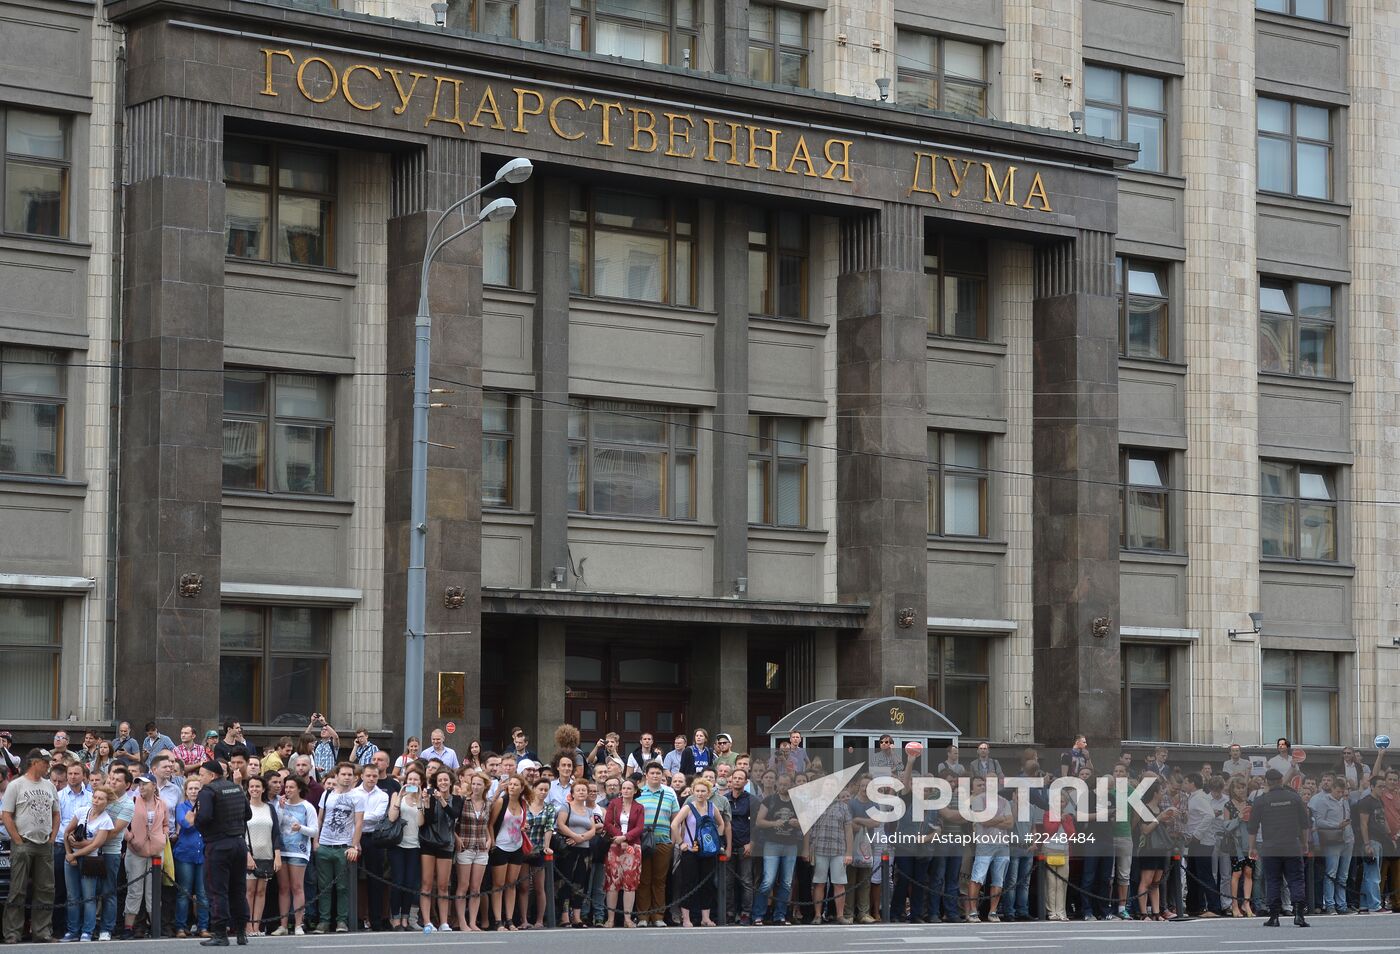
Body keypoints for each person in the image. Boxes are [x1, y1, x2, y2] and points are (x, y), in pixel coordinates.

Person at [2, 750, 60, 943]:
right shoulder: (16, 785)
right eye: (45, 763)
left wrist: (52, 838)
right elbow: (7, 815)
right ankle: (12, 933)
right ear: (35, 762)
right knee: (17, 889)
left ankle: (42, 932)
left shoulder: (50, 786)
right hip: (24, 843)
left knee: (46, 889)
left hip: (44, 844)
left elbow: (56, 814)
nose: (48, 766)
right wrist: (17, 840)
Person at [195, 760, 252, 947]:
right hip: (239, 843)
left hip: (218, 845)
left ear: (212, 775)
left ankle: (220, 934)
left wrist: (194, 820)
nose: (200, 778)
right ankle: (242, 932)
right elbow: (248, 814)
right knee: (238, 889)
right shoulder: (236, 788)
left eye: (202, 774)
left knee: (217, 890)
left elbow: (204, 817)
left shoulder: (208, 791)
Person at [1248, 767, 1311, 928]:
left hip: (1270, 847)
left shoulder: (1261, 800)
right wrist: (1304, 843)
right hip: (1292, 845)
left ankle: (1274, 917)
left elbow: (1253, 827)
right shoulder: (1294, 798)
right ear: (1282, 780)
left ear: (1267, 783)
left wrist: (1252, 847)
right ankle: (1299, 914)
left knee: (1273, 880)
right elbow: (1305, 824)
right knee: (1296, 880)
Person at [313, 762, 364, 933]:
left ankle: (342, 920)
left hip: (344, 846)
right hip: (325, 845)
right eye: (344, 774)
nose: (347, 777)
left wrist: (353, 845)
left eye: (350, 774)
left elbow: (358, 823)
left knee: (343, 887)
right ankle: (324, 921)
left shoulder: (357, 797)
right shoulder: (327, 795)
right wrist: (316, 842)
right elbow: (319, 819)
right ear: (336, 776)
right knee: (324, 886)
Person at [60, 785, 113, 942]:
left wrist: (74, 853)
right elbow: (67, 832)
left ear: (107, 801)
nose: (96, 801)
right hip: (72, 858)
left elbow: (95, 845)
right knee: (72, 896)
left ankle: (87, 931)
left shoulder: (106, 820)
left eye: (100, 799)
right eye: (95, 797)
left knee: (89, 897)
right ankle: (72, 930)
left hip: (91, 860)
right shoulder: (82, 811)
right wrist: (69, 854)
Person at [671, 777, 724, 928]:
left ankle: (705, 918)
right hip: (691, 851)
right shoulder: (688, 807)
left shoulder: (712, 807)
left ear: (708, 792)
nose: (700, 794)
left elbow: (721, 824)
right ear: (693, 792)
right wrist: (682, 844)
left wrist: (715, 841)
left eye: (703, 791)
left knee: (707, 883)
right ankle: (686, 918)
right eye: (697, 791)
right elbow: (674, 825)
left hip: (707, 852)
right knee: (688, 883)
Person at [121, 774, 168, 938]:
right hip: (136, 850)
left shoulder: (162, 804)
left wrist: (164, 836)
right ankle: (128, 927)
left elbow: (166, 824)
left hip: (156, 850)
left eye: (145, 784)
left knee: (153, 891)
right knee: (134, 890)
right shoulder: (131, 802)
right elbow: (121, 822)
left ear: (154, 786)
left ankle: (155, 927)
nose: (141, 787)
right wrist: (129, 836)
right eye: (139, 784)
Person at [752, 772, 802, 925]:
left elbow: (806, 822)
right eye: (780, 784)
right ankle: (758, 915)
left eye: (786, 785)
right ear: (776, 784)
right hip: (772, 844)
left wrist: (797, 823)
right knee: (768, 880)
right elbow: (759, 822)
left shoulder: (797, 801)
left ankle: (780, 915)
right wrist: (774, 823)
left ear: (791, 784)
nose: (783, 787)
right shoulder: (769, 800)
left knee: (787, 882)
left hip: (791, 844)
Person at [804, 784, 854, 925]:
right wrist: (806, 849)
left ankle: (839, 915)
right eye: (827, 785)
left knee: (839, 884)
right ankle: (818, 915)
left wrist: (849, 852)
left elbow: (848, 830)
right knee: (819, 883)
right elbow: (807, 827)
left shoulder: (843, 806)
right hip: (819, 849)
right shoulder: (813, 804)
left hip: (839, 850)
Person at [965, 775, 1012, 923]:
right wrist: (1000, 819)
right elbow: (983, 820)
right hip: (985, 843)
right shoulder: (979, 799)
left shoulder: (1004, 801)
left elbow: (1010, 823)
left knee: (999, 880)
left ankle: (993, 911)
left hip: (1003, 844)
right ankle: (973, 911)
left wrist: (992, 820)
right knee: (978, 877)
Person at [556, 779, 600, 927]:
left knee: (581, 883)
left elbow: (593, 830)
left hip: (585, 849)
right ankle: (564, 917)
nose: (582, 792)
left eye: (584, 790)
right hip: (568, 850)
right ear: (573, 793)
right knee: (565, 882)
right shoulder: (566, 806)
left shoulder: (589, 810)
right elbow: (560, 825)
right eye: (579, 790)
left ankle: (577, 916)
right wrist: (574, 836)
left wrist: (580, 838)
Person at [487, 774, 528, 931]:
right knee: (498, 884)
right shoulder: (500, 802)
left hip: (517, 845)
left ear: (521, 788)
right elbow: (490, 823)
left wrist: (525, 827)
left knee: (511, 884)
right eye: (510, 784)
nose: (512, 787)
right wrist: (493, 842)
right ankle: (498, 921)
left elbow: (522, 822)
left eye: (516, 784)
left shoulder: (523, 803)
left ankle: (509, 919)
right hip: (501, 846)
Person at [242, 775, 281, 937]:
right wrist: (247, 855)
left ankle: (256, 926)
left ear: (263, 789)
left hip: (266, 854)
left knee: (261, 891)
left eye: (258, 786)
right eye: (252, 786)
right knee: (249, 891)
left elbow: (276, 833)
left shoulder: (269, 808)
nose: (254, 789)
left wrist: (277, 855)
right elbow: (239, 833)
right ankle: (247, 926)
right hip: (249, 854)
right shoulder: (244, 808)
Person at [386, 768, 424, 932]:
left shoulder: (423, 799)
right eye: (410, 779)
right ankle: (394, 917)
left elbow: (421, 823)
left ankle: (405, 918)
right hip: (398, 845)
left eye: (416, 780)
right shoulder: (397, 795)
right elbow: (392, 817)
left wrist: (421, 800)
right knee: (398, 882)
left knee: (410, 883)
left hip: (415, 846)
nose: (413, 783)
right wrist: (400, 796)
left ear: (420, 783)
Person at [602, 777, 643, 927]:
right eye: (624, 788)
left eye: (629, 788)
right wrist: (619, 837)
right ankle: (610, 919)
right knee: (612, 882)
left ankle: (627, 918)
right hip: (615, 846)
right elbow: (607, 823)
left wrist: (626, 837)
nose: (626, 791)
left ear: (635, 791)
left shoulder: (639, 807)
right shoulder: (614, 804)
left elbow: (639, 827)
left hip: (633, 847)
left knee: (630, 883)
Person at [453, 772, 491, 932]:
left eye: (479, 784)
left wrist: (489, 839)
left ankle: (473, 922)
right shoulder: (463, 801)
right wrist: (457, 838)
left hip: (481, 847)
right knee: (463, 885)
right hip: (465, 846)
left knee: (476, 887)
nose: (475, 787)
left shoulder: (488, 804)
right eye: (473, 784)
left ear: (484, 786)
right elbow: (453, 823)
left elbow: (487, 824)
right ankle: (462, 921)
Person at [97, 767, 132, 941]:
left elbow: (114, 831)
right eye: (111, 778)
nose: (112, 782)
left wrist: (88, 843)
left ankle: (106, 928)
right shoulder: (102, 797)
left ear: (127, 785)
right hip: (91, 850)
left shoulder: (128, 804)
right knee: (88, 892)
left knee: (109, 891)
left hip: (110, 851)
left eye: (117, 780)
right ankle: (86, 928)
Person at [1309, 777, 1352, 915]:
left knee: (1343, 875)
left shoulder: (1344, 801)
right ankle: (1330, 904)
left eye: (1342, 792)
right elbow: (1319, 822)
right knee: (1331, 873)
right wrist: (1336, 826)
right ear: (1332, 789)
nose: (1340, 794)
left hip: (1347, 839)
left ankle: (1342, 904)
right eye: (1338, 791)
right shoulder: (1323, 802)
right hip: (1333, 841)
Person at [355, 763, 390, 931]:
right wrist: (360, 818)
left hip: (373, 838)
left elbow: (377, 816)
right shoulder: (353, 793)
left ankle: (376, 921)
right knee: (352, 879)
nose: (371, 779)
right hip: (354, 837)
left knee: (375, 880)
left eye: (374, 776)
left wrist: (358, 816)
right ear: (362, 776)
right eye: (368, 775)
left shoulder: (383, 795)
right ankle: (353, 919)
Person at [1134, 773, 1174, 920]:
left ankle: (1156, 912)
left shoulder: (1160, 808)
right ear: (1155, 793)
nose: (1163, 793)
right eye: (1161, 791)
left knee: (1156, 882)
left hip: (1161, 848)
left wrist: (1167, 819)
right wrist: (1159, 818)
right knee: (1146, 880)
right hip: (1148, 848)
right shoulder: (1145, 808)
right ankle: (1144, 913)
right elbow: (1145, 830)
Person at [174, 776, 209, 938]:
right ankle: (180, 927)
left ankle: (203, 927)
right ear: (186, 792)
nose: (194, 791)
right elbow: (185, 824)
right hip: (185, 854)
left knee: (202, 893)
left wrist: (196, 818)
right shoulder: (181, 806)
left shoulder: (207, 806)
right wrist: (198, 817)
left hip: (203, 854)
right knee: (184, 892)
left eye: (197, 788)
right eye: (191, 789)